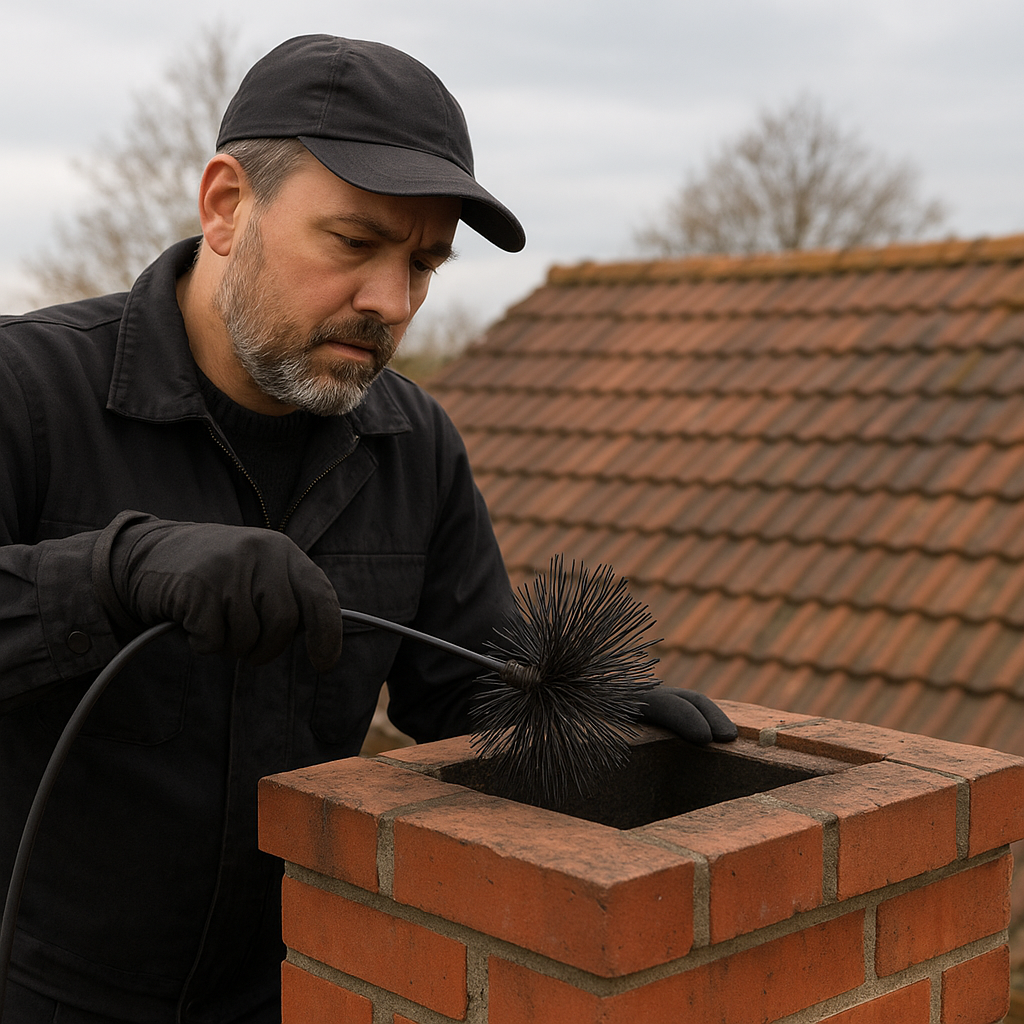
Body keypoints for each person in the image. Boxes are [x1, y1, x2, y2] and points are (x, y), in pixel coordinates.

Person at [0, 34, 735, 1024]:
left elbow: (460, 685)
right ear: (226, 206)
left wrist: (582, 714)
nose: (393, 303)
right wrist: (118, 571)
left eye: (425, 262)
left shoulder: (413, 441)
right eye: (353, 243)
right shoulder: (30, 392)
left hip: (303, 988)